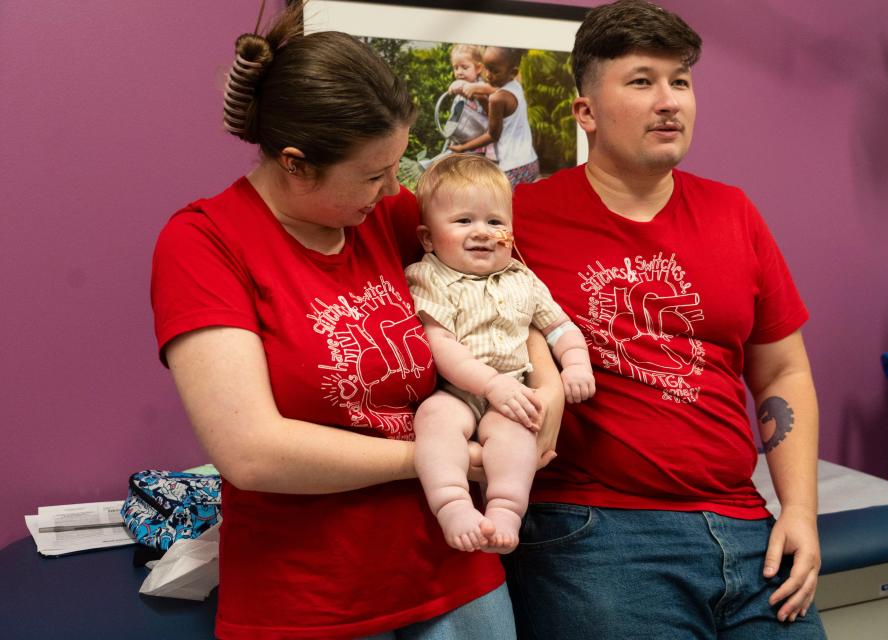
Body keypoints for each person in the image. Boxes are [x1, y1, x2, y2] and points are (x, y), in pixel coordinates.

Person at [150, 5, 563, 639]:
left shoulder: (385, 216)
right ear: (294, 162)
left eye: (394, 167)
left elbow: (502, 287)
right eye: (372, 174)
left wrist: (543, 384)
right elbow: (253, 455)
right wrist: (436, 456)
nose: (389, 189)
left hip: (455, 568)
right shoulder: (205, 243)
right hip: (310, 598)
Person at [502, 1, 826, 639]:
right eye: (642, 81)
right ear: (585, 112)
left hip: (745, 525)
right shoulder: (517, 220)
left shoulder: (734, 213)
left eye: (680, 80)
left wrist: (802, 511)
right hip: (596, 530)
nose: (670, 100)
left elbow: (783, 369)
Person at [406, 154, 595, 554]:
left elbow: (558, 326)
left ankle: (506, 510)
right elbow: (440, 343)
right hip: (457, 392)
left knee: (518, 434)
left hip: (512, 390)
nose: (483, 232)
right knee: (433, 420)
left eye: (495, 222)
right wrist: (489, 385)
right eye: (463, 221)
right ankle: (453, 504)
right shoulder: (431, 275)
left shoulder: (523, 278)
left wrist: (576, 361)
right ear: (427, 238)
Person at [448, 47, 539, 187]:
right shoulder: (515, 86)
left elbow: (492, 135)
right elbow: (497, 116)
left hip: (513, 167)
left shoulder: (497, 99)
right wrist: (480, 97)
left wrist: (463, 147)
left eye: (495, 71)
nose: (489, 75)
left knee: (499, 204)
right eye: (487, 69)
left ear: (513, 72)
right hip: (530, 161)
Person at [445, 44, 494, 160]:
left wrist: (476, 94)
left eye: (464, 67)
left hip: (480, 147)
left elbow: (492, 115)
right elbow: (455, 119)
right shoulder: (459, 89)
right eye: (455, 68)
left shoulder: (482, 87)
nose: (459, 72)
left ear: (478, 68)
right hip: (464, 143)